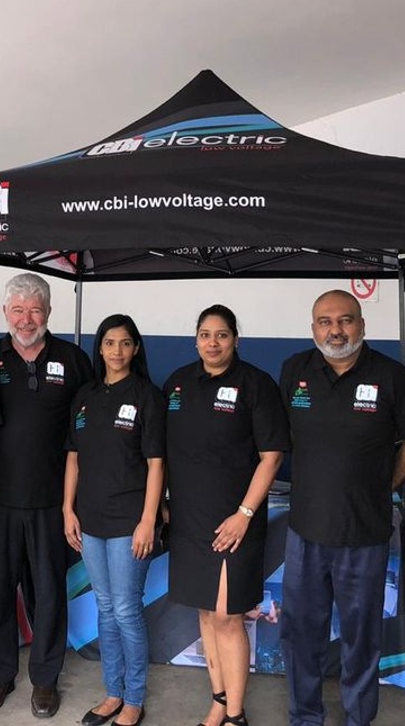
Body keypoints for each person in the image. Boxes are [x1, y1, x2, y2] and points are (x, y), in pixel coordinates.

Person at [278, 289, 405, 726]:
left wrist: (382, 487)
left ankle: (358, 718)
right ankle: (305, 716)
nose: (336, 330)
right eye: (325, 322)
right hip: (305, 530)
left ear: (362, 325)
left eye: (345, 320)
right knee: (300, 633)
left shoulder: (392, 376)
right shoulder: (295, 371)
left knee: (361, 637)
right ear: (313, 329)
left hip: (364, 532)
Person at [0, 272, 93, 719]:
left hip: (52, 501)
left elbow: (88, 431)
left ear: (49, 312)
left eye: (35, 310)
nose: (26, 319)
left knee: (49, 594)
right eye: (18, 310)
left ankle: (45, 678)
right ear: (5, 312)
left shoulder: (74, 360)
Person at [163, 304, 288, 726]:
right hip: (188, 520)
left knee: (227, 616)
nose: (212, 343)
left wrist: (244, 514)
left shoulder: (256, 384)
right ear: (195, 339)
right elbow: (164, 452)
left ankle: (235, 714)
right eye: (205, 335)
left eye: (221, 335)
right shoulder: (178, 384)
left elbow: (272, 457)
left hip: (235, 521)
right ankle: (219, 700)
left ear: (236, 339)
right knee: (205, 612)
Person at [63, 315, 166, 726]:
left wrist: (148, 520)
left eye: (125, 343)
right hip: (90, 520)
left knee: (125, 608)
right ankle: (112, 693)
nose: (117, 351)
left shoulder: (147, 396)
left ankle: (134, 698)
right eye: (109, 343)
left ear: (136, 348)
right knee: (105, 607)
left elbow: (156, 464)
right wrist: (67, 509)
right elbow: (73, 458)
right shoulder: (85, 396)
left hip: (129, 521)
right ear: (100, 348)